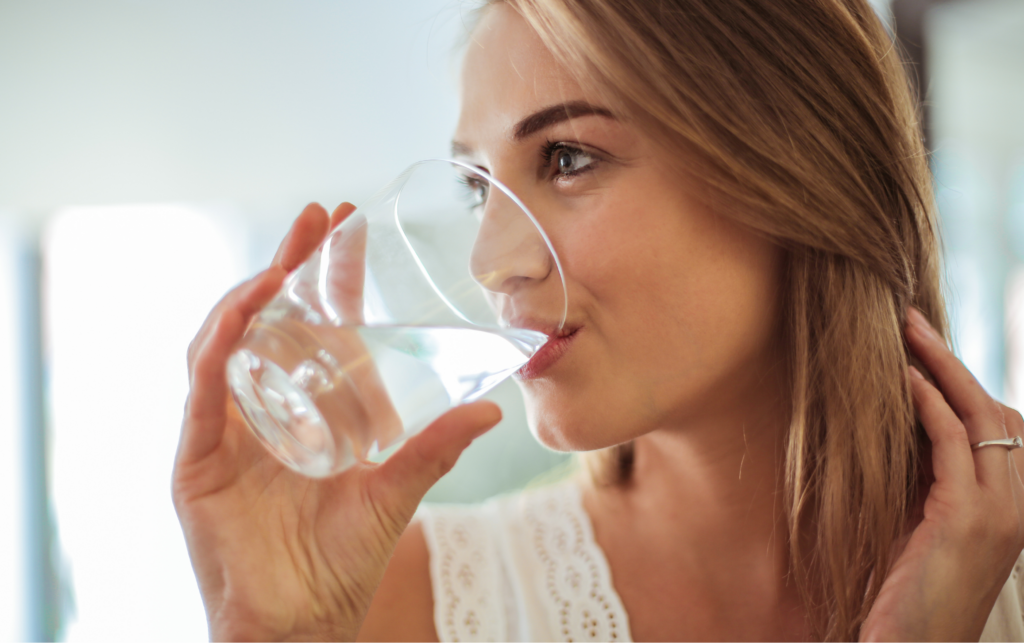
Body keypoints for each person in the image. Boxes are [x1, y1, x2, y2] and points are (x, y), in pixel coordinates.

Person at [172, 0, 1024, 640]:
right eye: (478, 187)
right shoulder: (404, 606)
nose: (489, 261)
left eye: (567, 158)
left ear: (797, 177)